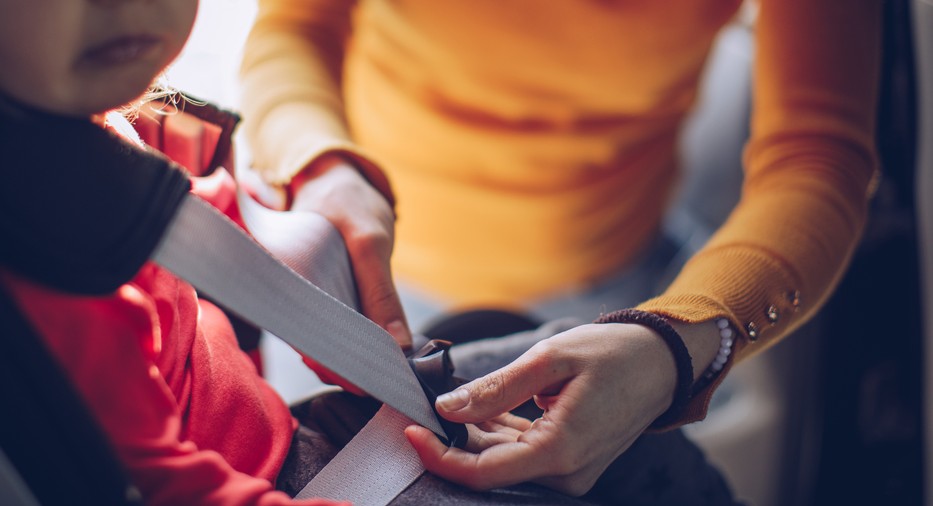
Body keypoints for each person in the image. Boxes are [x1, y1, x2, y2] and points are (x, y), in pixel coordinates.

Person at [0, 0, 739, 504]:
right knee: (642, 461)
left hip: (302, 429)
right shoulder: (56, 271)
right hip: (292, 478)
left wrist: (316, 284)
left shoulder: (80, 129)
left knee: (580, 381)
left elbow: (200, 233)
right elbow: (165, 485)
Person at [239, 0, 882, 496]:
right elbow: (294, 26)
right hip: (363, 272)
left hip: (624, 294)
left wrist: (679, 340)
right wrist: (320, 164)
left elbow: (819, 157)